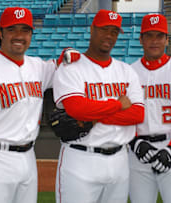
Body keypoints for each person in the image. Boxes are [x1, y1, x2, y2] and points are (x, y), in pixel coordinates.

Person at [0, 7, 79, 203]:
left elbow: (63, 64)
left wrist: (69, 54)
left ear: (31, 34)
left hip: (28, 158)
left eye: (25, 30)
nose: (19, 36)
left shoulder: (37, 67)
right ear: (1, 33)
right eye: (12, 29)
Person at [52, 9, 145, 203]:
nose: (109, 36)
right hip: (80, 158)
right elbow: (76, 109)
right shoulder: (71, 67)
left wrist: (93, 115)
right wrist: (117, 105)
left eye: (114, 31)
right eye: (104, 30)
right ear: (92, 29)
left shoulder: (126, 71)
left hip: (119, 160)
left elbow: (137, 114)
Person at [127, 14, 171, 203]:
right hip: (138, 153)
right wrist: (134, 142)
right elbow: (123, 113)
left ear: (167, 39)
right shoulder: (129, 72)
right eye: (149, 36)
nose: (154, 41)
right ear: (141, 39)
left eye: (159, 36)